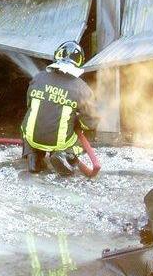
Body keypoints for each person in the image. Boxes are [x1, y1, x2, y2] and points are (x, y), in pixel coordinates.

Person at [21, 41, 99, 175]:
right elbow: (91, 122)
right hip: (60, 143)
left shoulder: (38, 77)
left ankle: (33, 156)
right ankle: (66, 155)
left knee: (27, 123)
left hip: (32, 138)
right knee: (88, 131)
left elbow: (29, 104)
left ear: (57, 55)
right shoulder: (82, 88)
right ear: (79, 62)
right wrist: (77, 122)